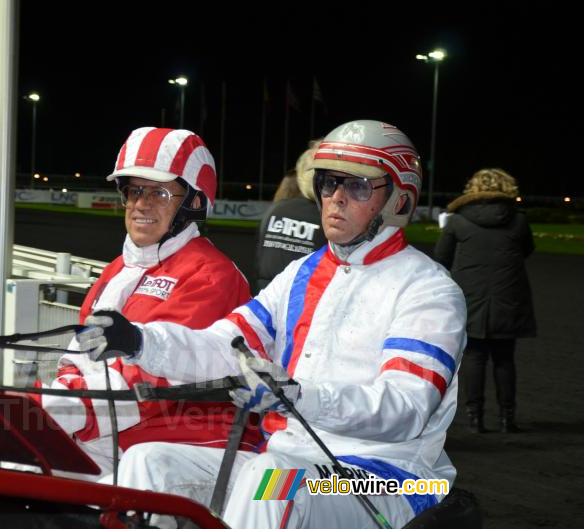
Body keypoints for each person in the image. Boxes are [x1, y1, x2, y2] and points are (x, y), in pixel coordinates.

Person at [76, 120, 467, 528]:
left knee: (271, 480)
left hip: (390, 478)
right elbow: (225, 345)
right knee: (148, 461)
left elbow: (405, 408)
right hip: (288, 461)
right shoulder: (300, 274)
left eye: (357, 187)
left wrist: (296, 396)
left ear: (399, 201)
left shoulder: (429, 290)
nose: (336, 198)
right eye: (328, 183)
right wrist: (140, 341)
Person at [38, 127, 256, 481]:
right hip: (113, 437)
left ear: (193, 203)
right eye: (135, 191)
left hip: (187, 444)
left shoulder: (212, 275)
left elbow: (156, 380)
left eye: (159, 193)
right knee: (24, 460)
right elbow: (78, 358)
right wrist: (53, 403)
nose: (141, 203)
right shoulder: (117, 269)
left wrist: (62, 409)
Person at [435, 168, 535, 434]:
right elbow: (527, 250)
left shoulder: (457, 221)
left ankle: (475, 418)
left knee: (474, 357)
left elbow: (441, 258)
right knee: (505, 359)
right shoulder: (518, 220)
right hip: (508, 297)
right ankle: (506, 418)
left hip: (470, 298)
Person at [255, 140, 327, 292]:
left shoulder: (275, 210)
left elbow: (261, 259)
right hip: (305, 300)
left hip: (265, 297)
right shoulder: (328, 218)